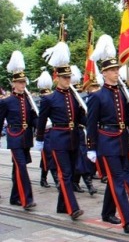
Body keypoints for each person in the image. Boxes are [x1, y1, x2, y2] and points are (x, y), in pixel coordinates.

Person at [86, 35, 129, 233]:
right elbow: (91, 124)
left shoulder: (122, 93)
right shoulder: (96, 96)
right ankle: (128, 221)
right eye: (111, 70)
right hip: (107, 142)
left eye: (117, 69)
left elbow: (128, 119)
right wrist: (91, 147)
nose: (116, 72)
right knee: (118, 179)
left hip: (121, 141)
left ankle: (107, 212)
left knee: (117, 177)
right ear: (104, 73)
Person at [35, 42, 86, 220]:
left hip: (73, 139)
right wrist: (40, 138)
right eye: (64, 78)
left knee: (70, 173)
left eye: (69, 77)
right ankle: (73, 208)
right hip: (58, 139)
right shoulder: (49, 99)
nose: (68, 80)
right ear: (57, 78)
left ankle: (62, 206)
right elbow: (41, 120)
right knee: (64, 174)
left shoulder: (74, 96)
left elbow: (80, 118)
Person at [0, 51, 37, 210]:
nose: (23, 85)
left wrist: (42, 125)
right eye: (20, 82)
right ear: (13, 84)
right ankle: (26, 199)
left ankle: (14, 197)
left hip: (26, 138)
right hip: (14, 137)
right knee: (21, 166)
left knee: (18, 168)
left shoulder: (29, 100)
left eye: (24, 82)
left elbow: (33, 118)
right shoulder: (7, 101)